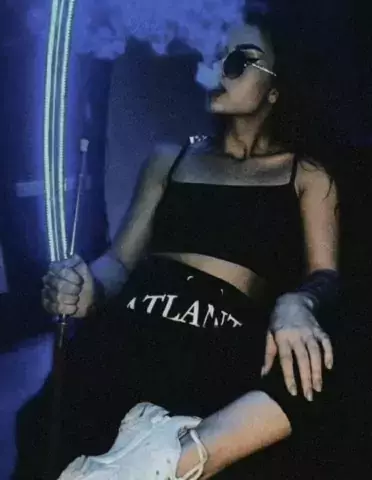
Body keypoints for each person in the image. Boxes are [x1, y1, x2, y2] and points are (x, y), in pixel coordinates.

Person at [40, 10, 340, 480]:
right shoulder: (170, 158)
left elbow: (326, 273)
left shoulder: (306, 175)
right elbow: (119, 261)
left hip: (218, 339)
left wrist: (298, 301)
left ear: (275, 89)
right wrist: (87, 288)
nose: (219, 67)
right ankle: (159, 456)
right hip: (133, 323)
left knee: (317, 363)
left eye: (240, 60)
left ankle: (174, 456)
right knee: (55, 421)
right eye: (216, 55)